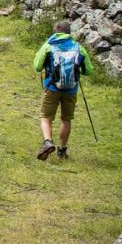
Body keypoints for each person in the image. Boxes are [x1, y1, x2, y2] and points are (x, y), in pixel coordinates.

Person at [34, 20, 89, 161]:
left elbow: (37, 66)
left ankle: (47, 142)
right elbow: (89, 71)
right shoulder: (78, 48)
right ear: (69, 32)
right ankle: (62, 150)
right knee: (66, 119)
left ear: (55, 31)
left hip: (52, 87)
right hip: (71, 89)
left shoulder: (49, 45)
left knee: (46, 117)